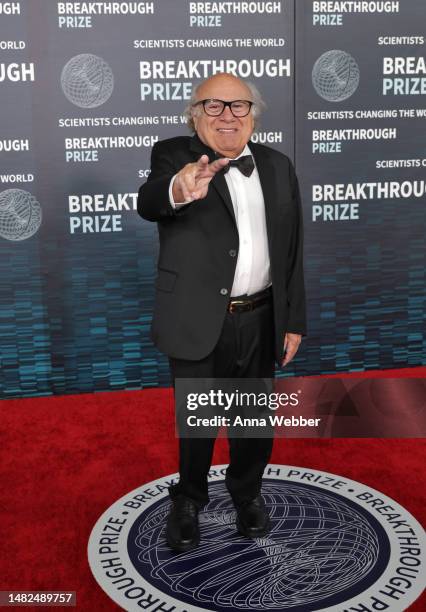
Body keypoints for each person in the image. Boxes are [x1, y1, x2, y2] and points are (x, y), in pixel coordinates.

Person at [137, 73, 306, 552]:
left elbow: (292, 250)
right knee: (197, 420)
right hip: (196, 318)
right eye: (214, 106)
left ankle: (247, 493)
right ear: (195, 115)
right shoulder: (172, 155)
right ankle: (189, 499)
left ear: (253, 114)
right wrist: (179, 188)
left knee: (254, 421)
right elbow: (149, 201)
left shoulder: (277, 165)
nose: (228, 116)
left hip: (262, 314)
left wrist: (295, 320)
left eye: (239, 106)